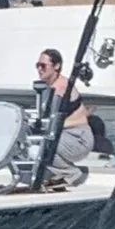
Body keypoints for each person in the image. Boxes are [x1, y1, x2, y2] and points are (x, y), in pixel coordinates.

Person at [33, 48, 93, 182]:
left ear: (56, 66)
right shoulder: (48, 87)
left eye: (43, 65)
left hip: (78, 138)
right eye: (37, 65)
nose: (39, 69)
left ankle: (71, 174)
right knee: (30, 145)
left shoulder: (62, 87)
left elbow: (53, 117)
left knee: (41, 147)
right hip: (63, 137)